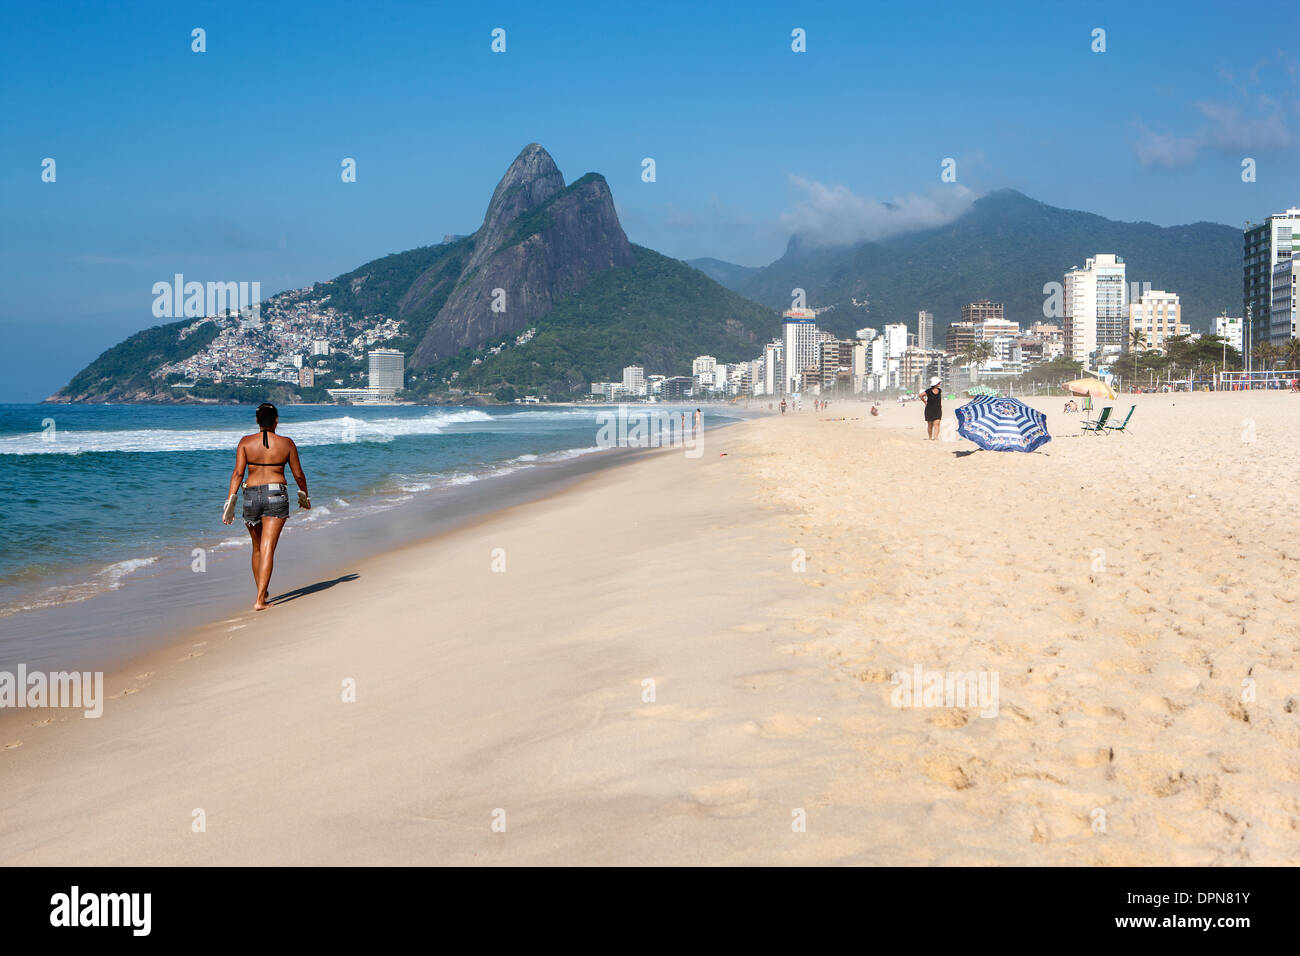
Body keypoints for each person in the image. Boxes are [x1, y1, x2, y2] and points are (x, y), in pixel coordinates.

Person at [222, 403, 310, 610]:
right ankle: (260, 599)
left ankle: (262, 592)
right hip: (276, 493)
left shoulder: (245, 442)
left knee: (256, 548)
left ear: (256, 420)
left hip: (250, 494)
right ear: (277, 420)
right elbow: (298, 474)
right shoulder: (286, 443)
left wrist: (230, 500)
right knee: (268, 547)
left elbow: (237, 474)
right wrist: (304, 494)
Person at [921, 376, 943, 440]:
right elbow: (920, 395)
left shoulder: (940, 390)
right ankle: (930, 437)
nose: (939, 384)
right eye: (938, 382)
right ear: (935, 383)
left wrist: (940, 404)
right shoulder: (929, 391)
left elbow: (939, 399)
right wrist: (925, 402)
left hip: (938, 409)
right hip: (929, 409)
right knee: (930, 425)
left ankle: (936, 438)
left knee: (937, 423)